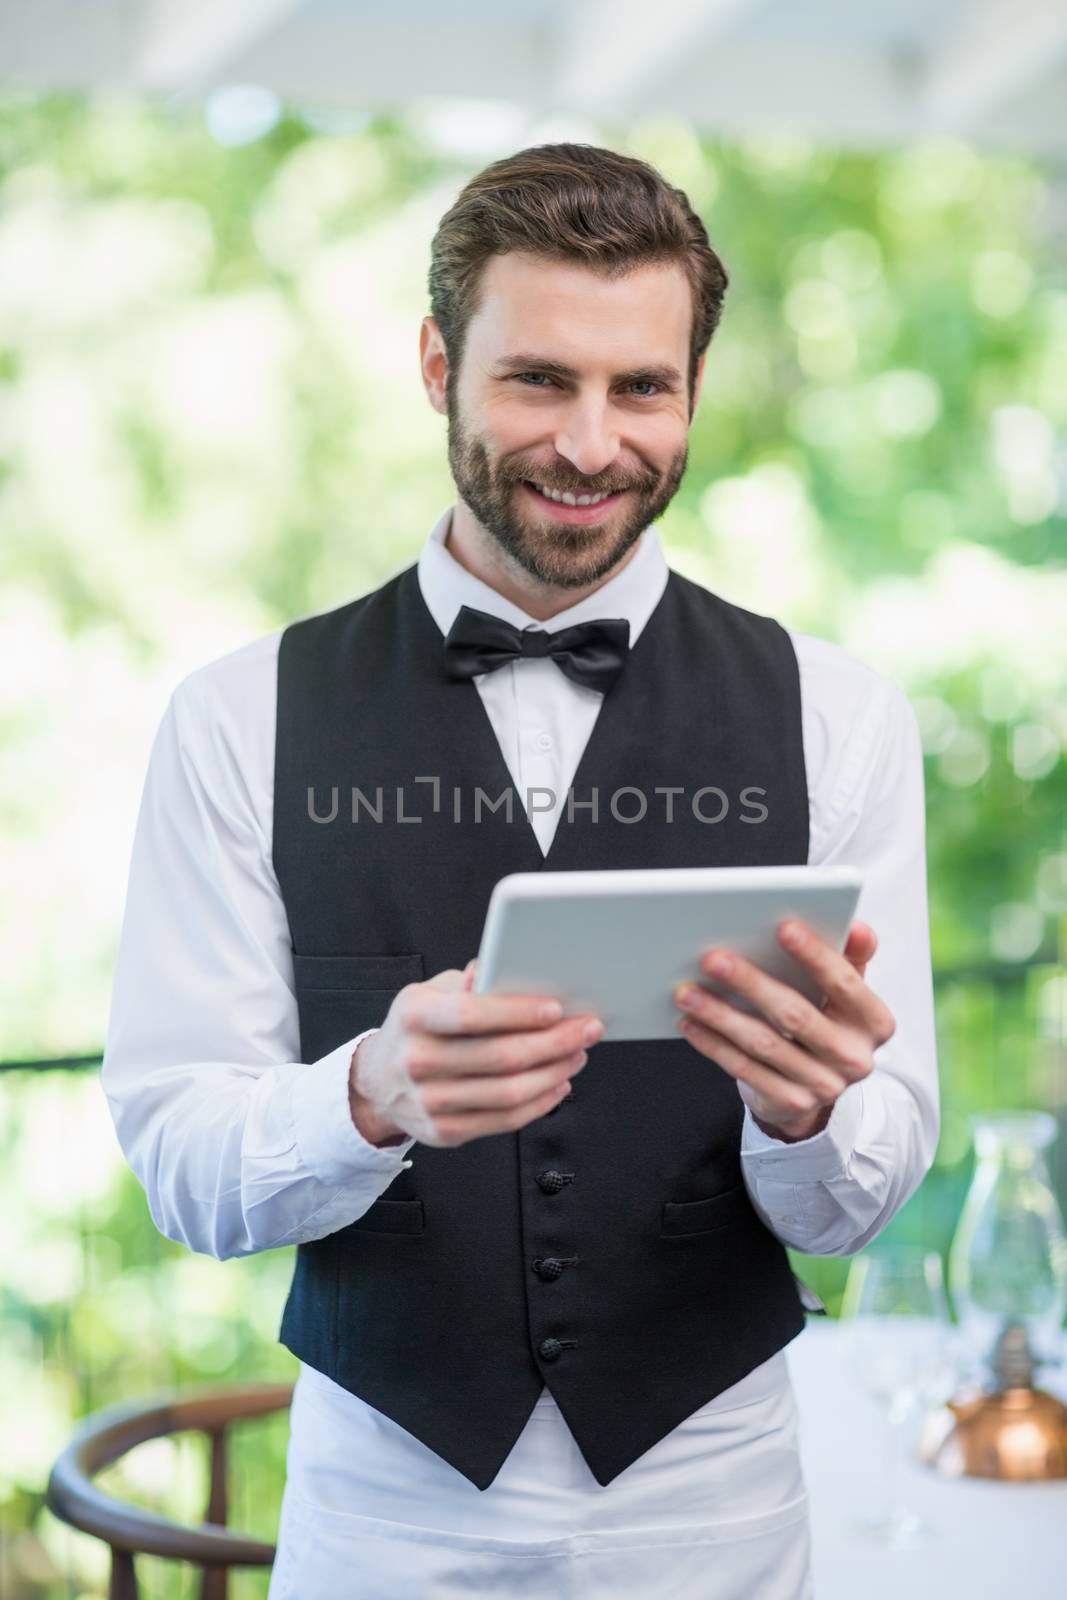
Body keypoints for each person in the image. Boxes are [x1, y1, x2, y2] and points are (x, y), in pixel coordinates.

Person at [101, 142, 939, 1599]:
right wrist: (365, 1098)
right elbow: (181, 1160)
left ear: (691, 387)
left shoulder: (841, 715)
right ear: (438, 364)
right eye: (539, 380)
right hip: (384, 1521)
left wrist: (811, 1121)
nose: (593, 444)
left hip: (717, 1516)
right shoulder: (239, 719)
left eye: (643, 388)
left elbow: (856, 1203)